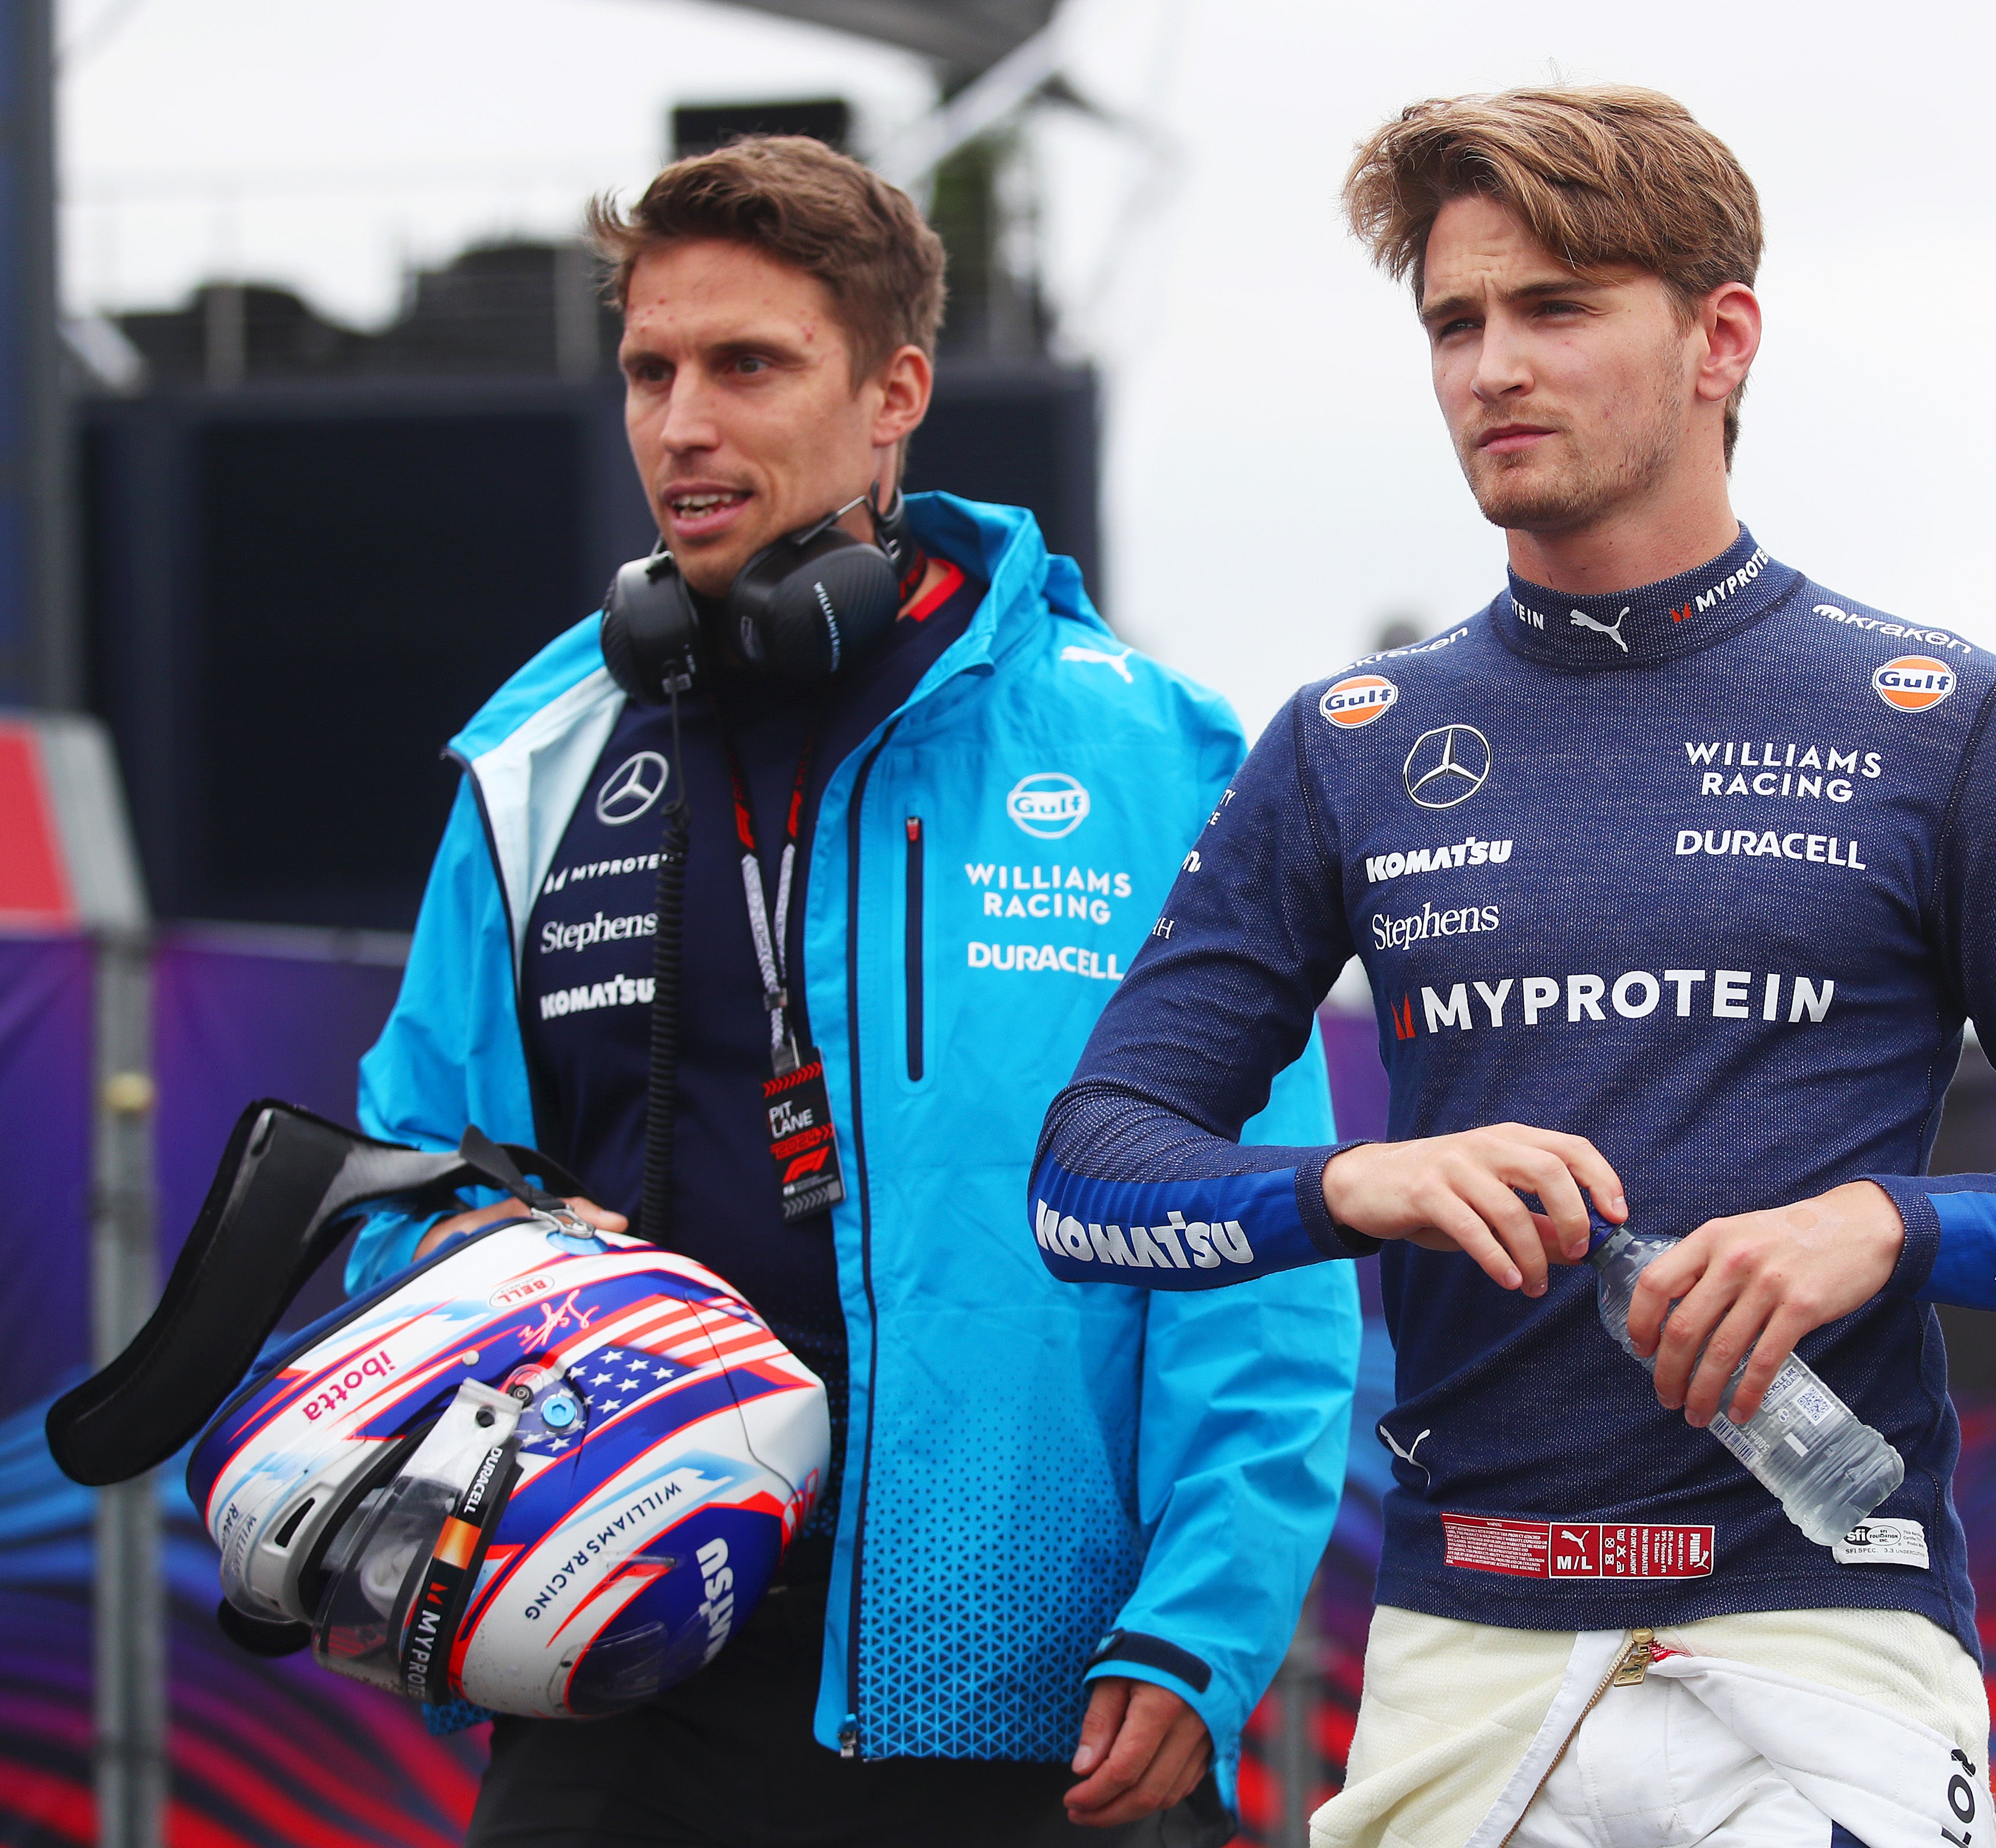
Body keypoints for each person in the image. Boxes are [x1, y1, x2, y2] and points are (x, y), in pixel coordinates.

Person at [1030, 87, 1996, 1848]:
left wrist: (1889, 1223)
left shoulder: (1945, 720)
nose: (1491, 368)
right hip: (1467, 1662)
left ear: (1718, 339)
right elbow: (1086, 1177)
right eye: (1456, 322)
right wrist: (1354, 1182)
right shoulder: (1352, 740)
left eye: (1557, 308)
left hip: (1828, 1651)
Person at [346, 135, 1358, 1848]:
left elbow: (1256, 1244)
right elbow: (404, 1191)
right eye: (651, 371)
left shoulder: (1149, 755)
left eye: (748, 365)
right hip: (618, 1674)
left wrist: (1202, 1626)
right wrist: (489, 1254)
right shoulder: (535, 764)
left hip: (1033, 1686)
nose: (684, 422)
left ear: (894, 391)